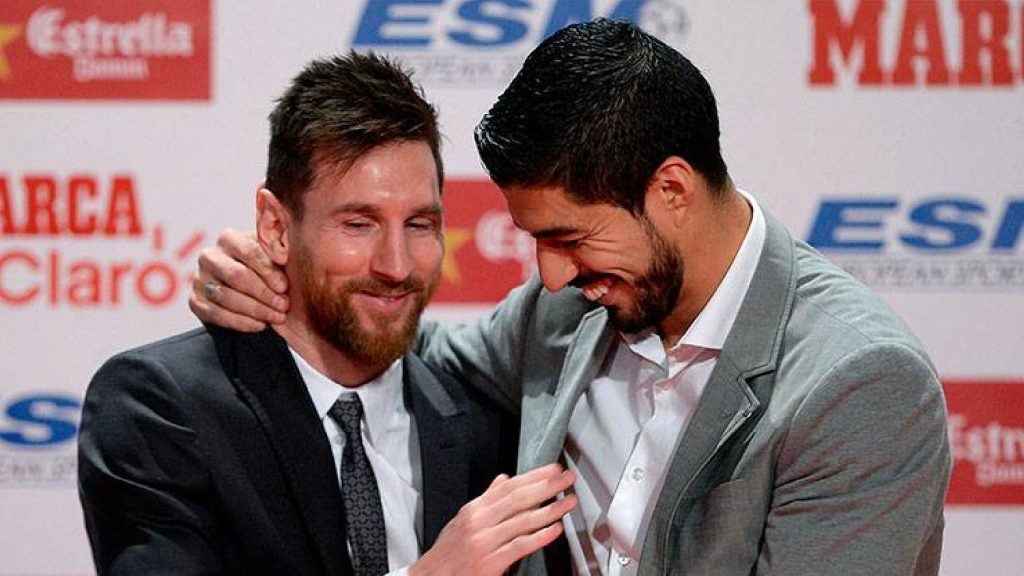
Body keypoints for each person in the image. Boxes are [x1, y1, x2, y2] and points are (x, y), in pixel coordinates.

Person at [189, 20, 951, 576]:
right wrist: (273, 285)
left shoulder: (859, 382)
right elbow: (411, 348)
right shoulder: (569, 310)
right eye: (535, 242)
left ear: (672, 190)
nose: (550, 276)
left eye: (569, 238)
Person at [78, 52, 578, 576]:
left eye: (419, 225)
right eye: (358, 224)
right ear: (275, 228)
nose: (396, 265)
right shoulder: (161, 407)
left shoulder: (482, 424)